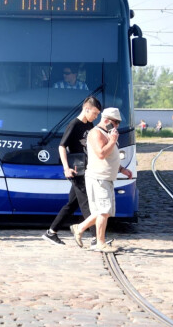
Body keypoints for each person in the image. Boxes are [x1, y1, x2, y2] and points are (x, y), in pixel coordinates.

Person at [69, 107, 130, 253]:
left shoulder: (108, 133)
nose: (117, 126)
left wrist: (122, 169)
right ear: (107, 120)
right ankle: (100, 243)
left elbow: (111, 155)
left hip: (106, 177)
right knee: (104, 210)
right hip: (98, 177)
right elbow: (101, 153)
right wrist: (113, 139)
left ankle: (80, 228)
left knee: (103, 211)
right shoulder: (96, 133)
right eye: (116, 123)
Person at [42, 96, 100, 246]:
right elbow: (62, 146)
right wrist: (66, 168)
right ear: (86, 109)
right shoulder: (74, 124)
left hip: (86, 168)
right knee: (87, 203)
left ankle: (51, 232)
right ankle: (95, 238)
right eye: (94, 113)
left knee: (72, 204)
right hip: (76, 170)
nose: (96, 116)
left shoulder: (90, 124)